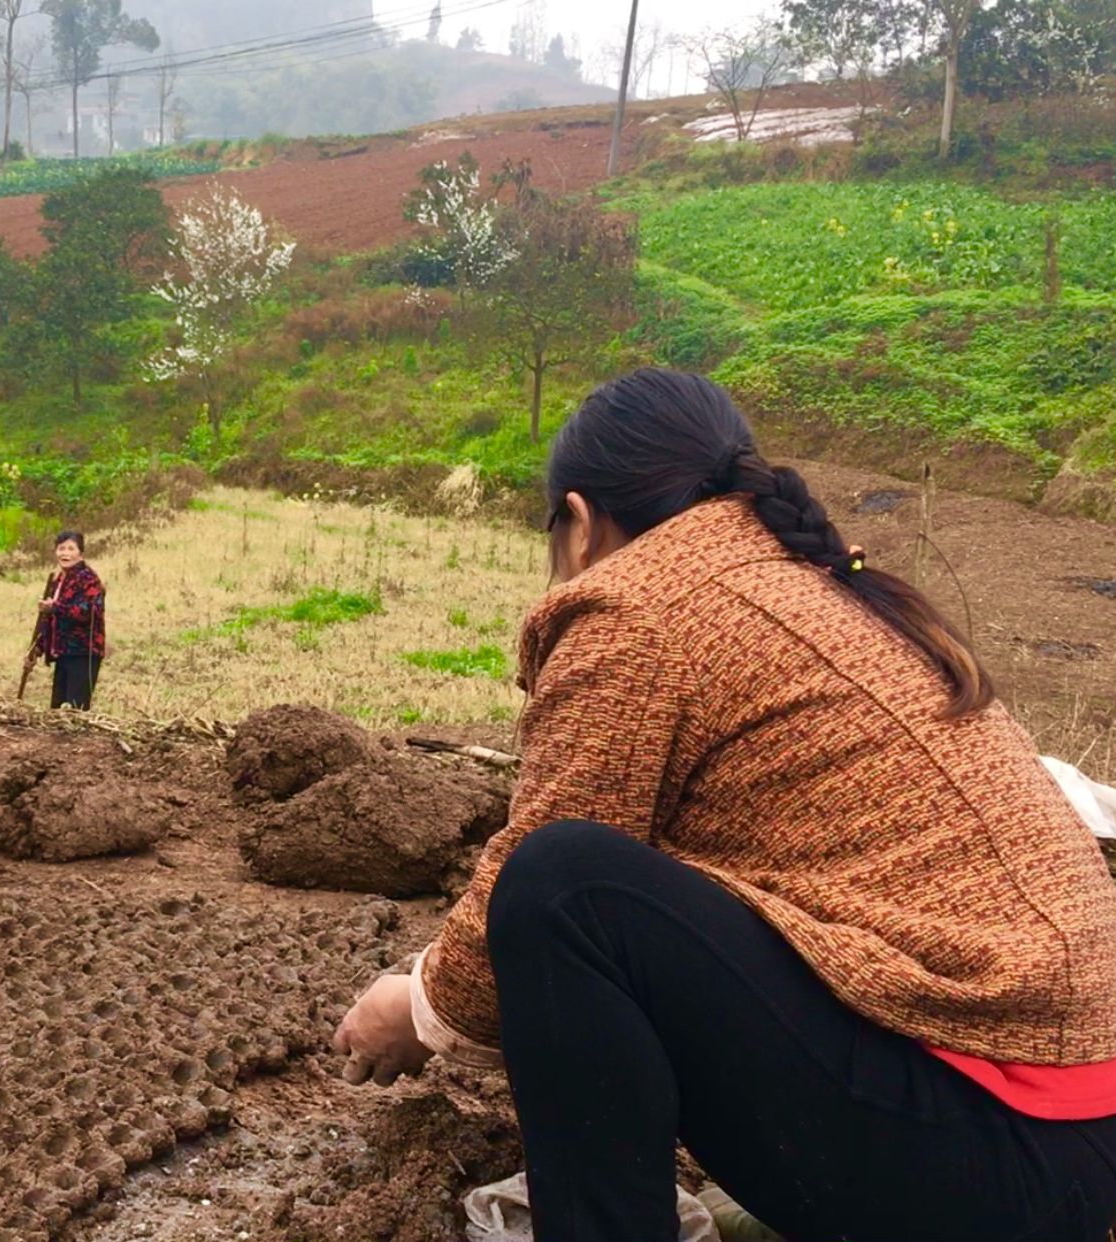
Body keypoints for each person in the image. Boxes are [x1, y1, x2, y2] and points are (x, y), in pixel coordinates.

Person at [332, 368, 1116, 1241]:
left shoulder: (640, 610)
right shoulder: (805, 585)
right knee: (597, 885)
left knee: (562, 884)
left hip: (991, 1156)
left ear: (581, 523)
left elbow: (544, 864)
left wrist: (417, 1006)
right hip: (1062, 1136)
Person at [30, 531, 105, 710]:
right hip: (63, 652)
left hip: (83, 652)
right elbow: (51, 619)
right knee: (57, 710)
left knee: (75, 710)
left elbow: (88, 612)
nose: (65, 553)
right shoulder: (58, 580)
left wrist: (55, 607)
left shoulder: (88, 579)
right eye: (61, 548)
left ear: (81, 553)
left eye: (71, 549)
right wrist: (37, 647)